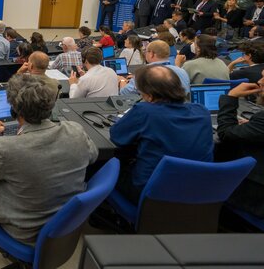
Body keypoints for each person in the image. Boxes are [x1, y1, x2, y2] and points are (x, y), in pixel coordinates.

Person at [0, 74, 97, 245]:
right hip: (65, 220)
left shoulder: (6, 147)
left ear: (14, 111)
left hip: (24, 230)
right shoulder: (75, 130)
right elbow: (92, 156)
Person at [110, 65, 213, 203]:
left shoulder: (144, 111)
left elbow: (117, 137)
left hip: (150, 192)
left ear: (149, 96)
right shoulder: (202, 111)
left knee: (100, 168)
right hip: (197, 189)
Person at [216, 73, 264, 218]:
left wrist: (231, 96)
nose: (260, 81)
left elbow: (225, 133)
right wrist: (253, 126)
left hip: (254, 196)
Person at [119, 40, 191, 95]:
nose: (144, 53)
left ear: (152, 54)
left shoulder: (143, 73)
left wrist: (122, 81)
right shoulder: (182, 71)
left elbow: (124, 94)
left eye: (145, 51)